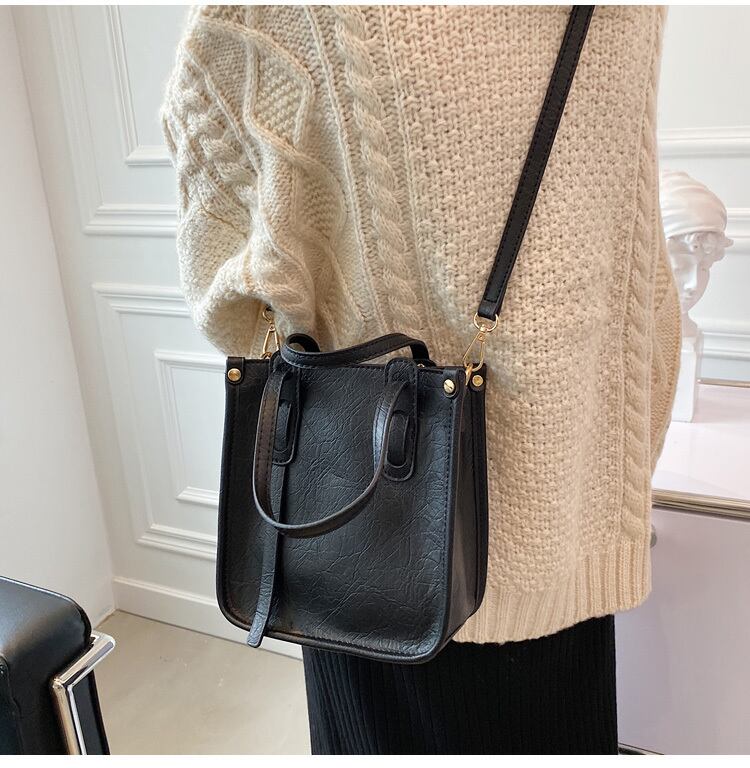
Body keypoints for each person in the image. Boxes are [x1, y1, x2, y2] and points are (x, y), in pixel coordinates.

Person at [161, 5, 681, 754]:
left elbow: (225, 280)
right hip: (569, 527)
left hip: (370, 524)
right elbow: (645, 292)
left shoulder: (281, 17)